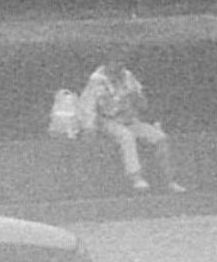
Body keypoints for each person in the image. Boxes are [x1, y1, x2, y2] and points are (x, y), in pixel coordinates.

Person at [79, 56, 184, 193]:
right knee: (126, 136)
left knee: (160, 138)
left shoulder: (128, 77)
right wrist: (89, 127)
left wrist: (136, 97)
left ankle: (169, 180)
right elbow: (88, 105)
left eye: (121, 62)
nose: (118, 65)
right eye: (115, 61)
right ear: (107, 63)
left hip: (129, 119)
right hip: (106, 120)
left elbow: (143, 105)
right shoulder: (96, 79)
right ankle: (136, 178)